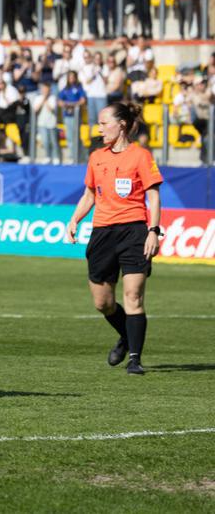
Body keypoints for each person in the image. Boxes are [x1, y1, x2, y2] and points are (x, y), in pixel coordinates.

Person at [66, 102, 163, 376]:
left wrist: (153, 231)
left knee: (133, 296)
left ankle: (135, 359)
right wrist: (74, 220)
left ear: (121, 124)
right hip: (102, 233)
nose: (99, 128)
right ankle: (126, 335)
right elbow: (89, 195)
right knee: (103, 303)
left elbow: (153, 196)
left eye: (103, 123)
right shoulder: (97, 157)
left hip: (134, 231)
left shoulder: (141, 156)